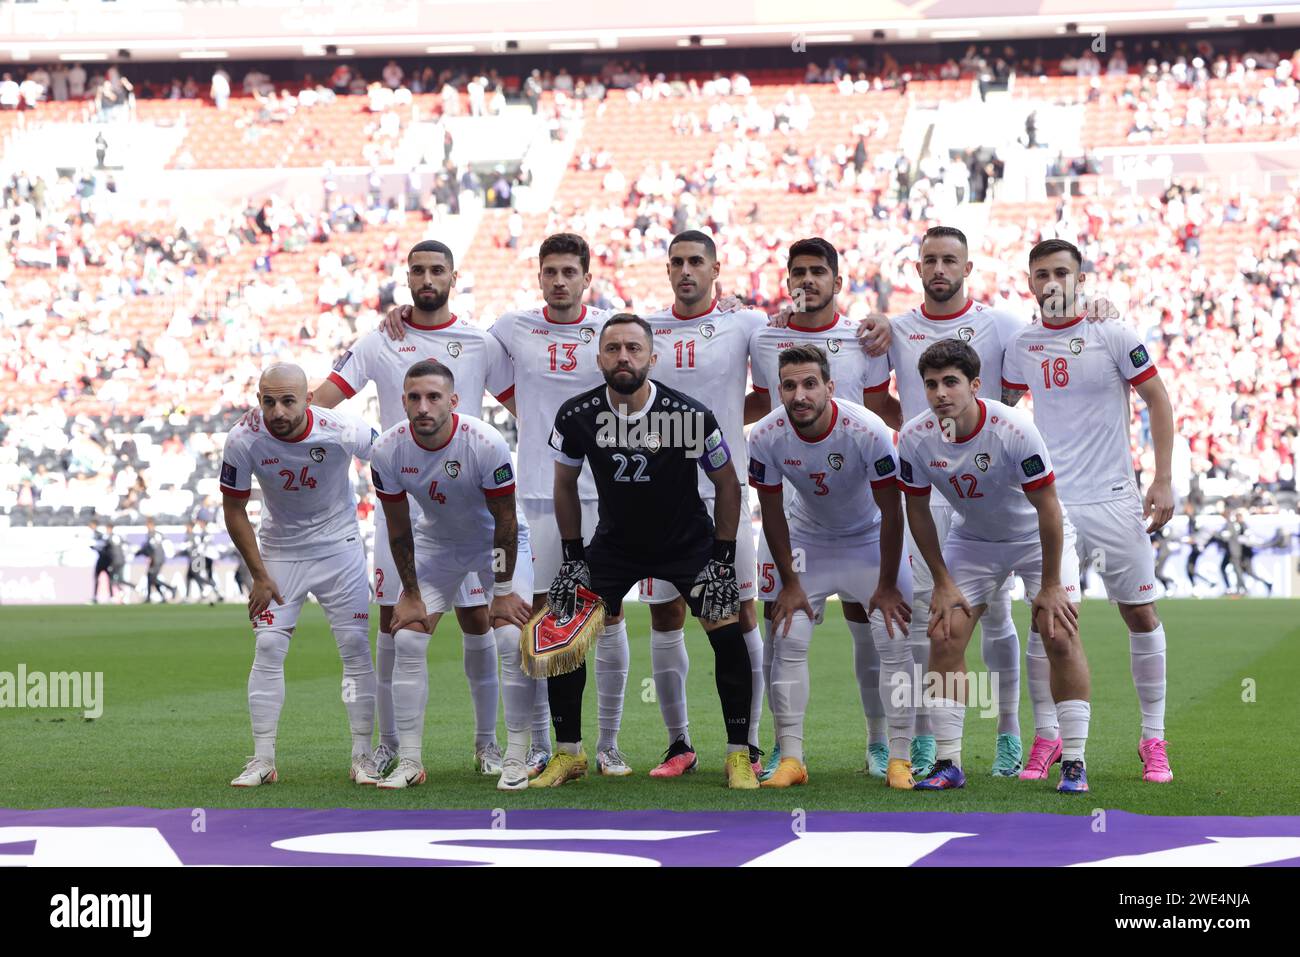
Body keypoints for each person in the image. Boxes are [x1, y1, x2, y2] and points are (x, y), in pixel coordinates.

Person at [313, 239, 524, 778]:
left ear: (454, 277)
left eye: (437, 271)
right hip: (407, 505)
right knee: (396, 620)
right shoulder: (381, 340)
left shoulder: (480, 341)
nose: (427, 278)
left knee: (485, 620)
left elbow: (527, 404)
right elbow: (323, 403)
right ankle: (391, 745)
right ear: (406, 278)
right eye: (418, 271)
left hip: (476, 505)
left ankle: (488, 745)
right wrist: (284, 422)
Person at [538, 314, 757, 789]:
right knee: (563, 629)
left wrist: (722, 556)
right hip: (616, 544)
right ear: (599, 358)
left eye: (633, 348)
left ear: (652, 358)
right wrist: (573, 553)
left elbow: (727, 483)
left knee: (727, 632)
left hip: (686, 543)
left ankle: (738, 754)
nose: (623, 356)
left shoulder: (690, 416)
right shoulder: (577, 416)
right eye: (613, 348)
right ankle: (569, 753)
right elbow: (563, 483)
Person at [1002, 238, 1176, 782]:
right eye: (1041, 274)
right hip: (1051, 505)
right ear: (1029, 282)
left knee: (1140, 614)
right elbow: (1001, 415)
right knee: (1046, 623)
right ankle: (1048, 738)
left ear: (1081, 279)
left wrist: (1163, 477)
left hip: (1115, 499)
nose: (1051, 282)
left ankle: (1153, 739)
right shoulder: (1021, 344)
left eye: (1061, 273)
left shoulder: (1114, 332)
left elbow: (1159, 400)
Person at [868, 225, 1028, 779]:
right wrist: (923, 438)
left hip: (987, 489)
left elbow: (1022, 382)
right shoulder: (897, 329)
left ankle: (1008, 729)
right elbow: (874, 401)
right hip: (928, 489)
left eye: (949, 260)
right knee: (927, 619)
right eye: (930, 260)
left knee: (998, 614)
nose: (939, 269)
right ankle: (925, 739)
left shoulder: (1002, 323)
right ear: (917, 269)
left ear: (968, 266)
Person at [899, 339, 1090, 793]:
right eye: (931, 384)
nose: (940, 393)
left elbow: (1048, 507)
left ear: (975, 385)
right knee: (945, 631)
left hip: (1037, 538)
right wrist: (942, 581)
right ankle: (949, 763)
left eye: (951, 382)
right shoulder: (914, 437)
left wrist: (1048, 585)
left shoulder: (1014, 429)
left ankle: (1075, 761)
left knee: (1058, 631)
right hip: (975, 541)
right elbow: (918, 510)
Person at [747, 237, 899, 778]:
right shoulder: (762, 334)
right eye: (798, 272)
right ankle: (781, 750)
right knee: (781, 625)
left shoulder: (865, 337)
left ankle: (882, 744)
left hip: (862, 512)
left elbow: (883, 410)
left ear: (838, 278)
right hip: (795, 516)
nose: (807, 280)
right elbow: (740, 394)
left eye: (818, 271)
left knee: (872, 625)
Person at [370, 360, 536, 791]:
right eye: (413, 397)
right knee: (406, 635)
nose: (423, 406)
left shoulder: (485, 443)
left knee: (510, 637)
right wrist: (409, 592)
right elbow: (399, 527)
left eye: (433, 397)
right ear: (403, 401)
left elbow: (505, 522)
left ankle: (516, 757)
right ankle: (409, 761)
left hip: (493, 543)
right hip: (436, 545)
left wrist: (500, 590)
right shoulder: (387, 450)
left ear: (454, 401)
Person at [220, 363, 379, 788]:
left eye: (288, 401)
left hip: (339, 547)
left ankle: (363, 755)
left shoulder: (341, 428)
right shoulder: (243, 438)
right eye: (268, 401)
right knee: (268, 646)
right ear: (258, 400)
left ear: (308, 399)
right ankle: (263, 759)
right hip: (281, 552)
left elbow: (392, 456)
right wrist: (258, 575)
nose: (277, 411)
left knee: (354, 648)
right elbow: (233, 508)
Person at [137, 518, 177, 603]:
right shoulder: (158, 534)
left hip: (156, 559)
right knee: (150, 577)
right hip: (160, 558)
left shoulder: (151, 534)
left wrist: (150, 558)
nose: (147, 527)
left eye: (148, 525)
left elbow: (152, 548)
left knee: (152, 578)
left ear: (151, 525)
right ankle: (160, 597)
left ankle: (171, 588)